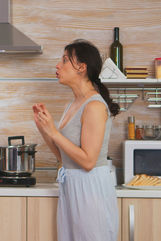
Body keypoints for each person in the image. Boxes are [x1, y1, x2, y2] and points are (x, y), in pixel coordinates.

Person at [32, 39, 120, 241]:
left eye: (64, 60)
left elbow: (88, 161)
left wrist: (54, 132)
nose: (57, 65)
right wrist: (44, 128)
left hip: (90, 190)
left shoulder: (94, 106)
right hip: (72, 187)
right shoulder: (73, 104)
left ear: (81, 67)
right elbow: (64, 157)